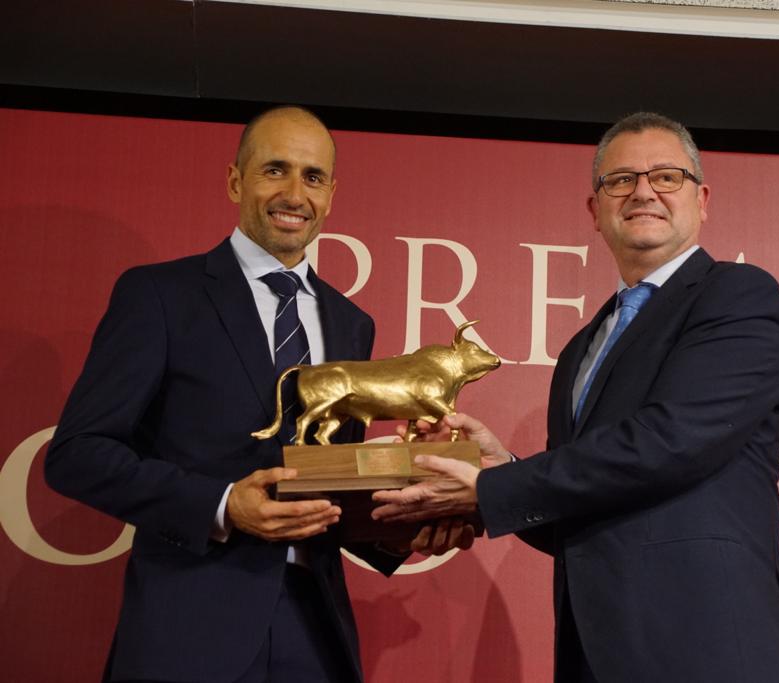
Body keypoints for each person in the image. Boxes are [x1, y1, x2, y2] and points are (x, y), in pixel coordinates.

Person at [372, 112, 779, 682]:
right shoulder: (583, 347)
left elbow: (669, 442)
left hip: (706, 645)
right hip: (594, 653)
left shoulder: (738, 294)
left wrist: (489, 488)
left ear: (701, 199)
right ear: (595, 211)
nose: (643, 191)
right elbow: (581, 514)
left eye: (667, 177)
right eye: (620, 180)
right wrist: (493, 467)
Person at [45, 105, 469, 683]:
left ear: (332, 194)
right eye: (275, 170)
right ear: (235, 180)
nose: (295, 193)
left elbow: (335, 486)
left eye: (313, 177)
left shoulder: (352, 323)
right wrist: (222, 506)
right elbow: (78, 454)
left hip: (315, 632)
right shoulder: (160, 296)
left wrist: (403, 526)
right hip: (188, 627)